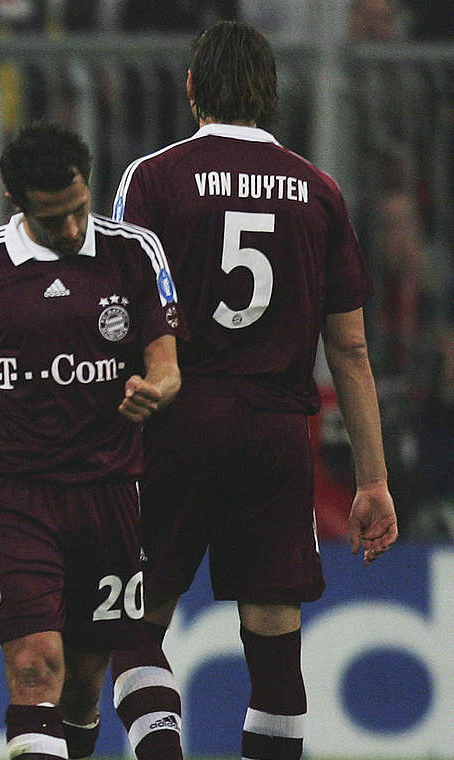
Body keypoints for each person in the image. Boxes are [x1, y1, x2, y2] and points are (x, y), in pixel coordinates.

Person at [108, 20, 399, 760]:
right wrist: (373, 479)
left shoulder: (155, 178)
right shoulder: (319, 191)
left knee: (135, 623)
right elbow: (352, 350)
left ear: (192, 87)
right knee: (273, 637)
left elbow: (114, 311)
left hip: (177, 422)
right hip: (276, 431)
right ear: (270, 96)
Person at [0, 122, 183, 760]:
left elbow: (167, 364)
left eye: (81, 208)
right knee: (34, 668)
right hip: (14, 496)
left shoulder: (135, 252)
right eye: (53, 218)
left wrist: (156, 389)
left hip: (111, 492)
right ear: (15, 201)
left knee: (84, 685)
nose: (72, 228)